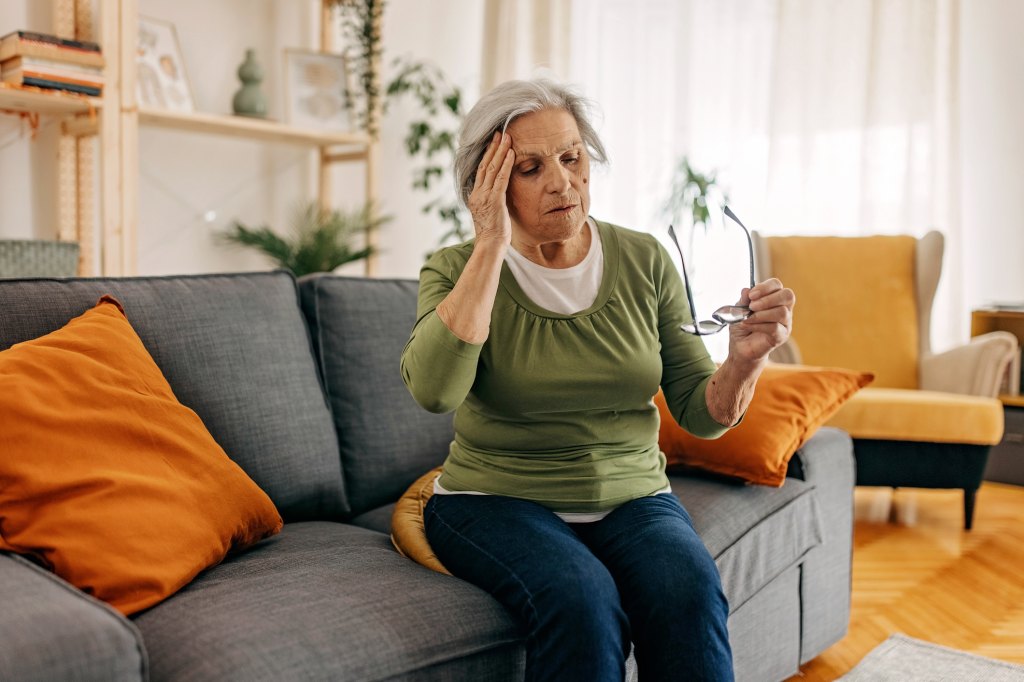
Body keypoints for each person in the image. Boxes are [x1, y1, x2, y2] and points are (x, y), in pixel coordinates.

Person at [401, 79, 795, 682]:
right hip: (494, 498)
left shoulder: (644, 259)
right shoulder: (455, 269)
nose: (562, 181)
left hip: (632, 496)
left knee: (689, 592)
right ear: (489, 185)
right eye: (530, 168)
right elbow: (434, 392)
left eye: (571, 156)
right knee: (581, 600)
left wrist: (745, 358)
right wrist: (489, 245)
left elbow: (699, 412)